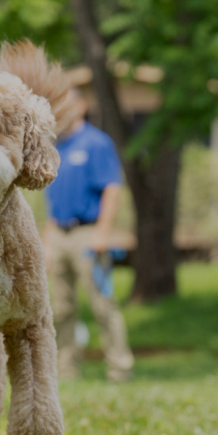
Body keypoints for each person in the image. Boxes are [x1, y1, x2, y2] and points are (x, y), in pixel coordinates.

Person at [44, 88, 135, 381]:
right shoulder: (56, 147)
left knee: (103, 303)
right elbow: (52, 199)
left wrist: (103, 233)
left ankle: (119, 368)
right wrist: (47, 239)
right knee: (60, 308)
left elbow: (111, 187)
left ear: (81, 107)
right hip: (59, 233)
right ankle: (67, 372)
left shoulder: (96, 143)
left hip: (89, 233)